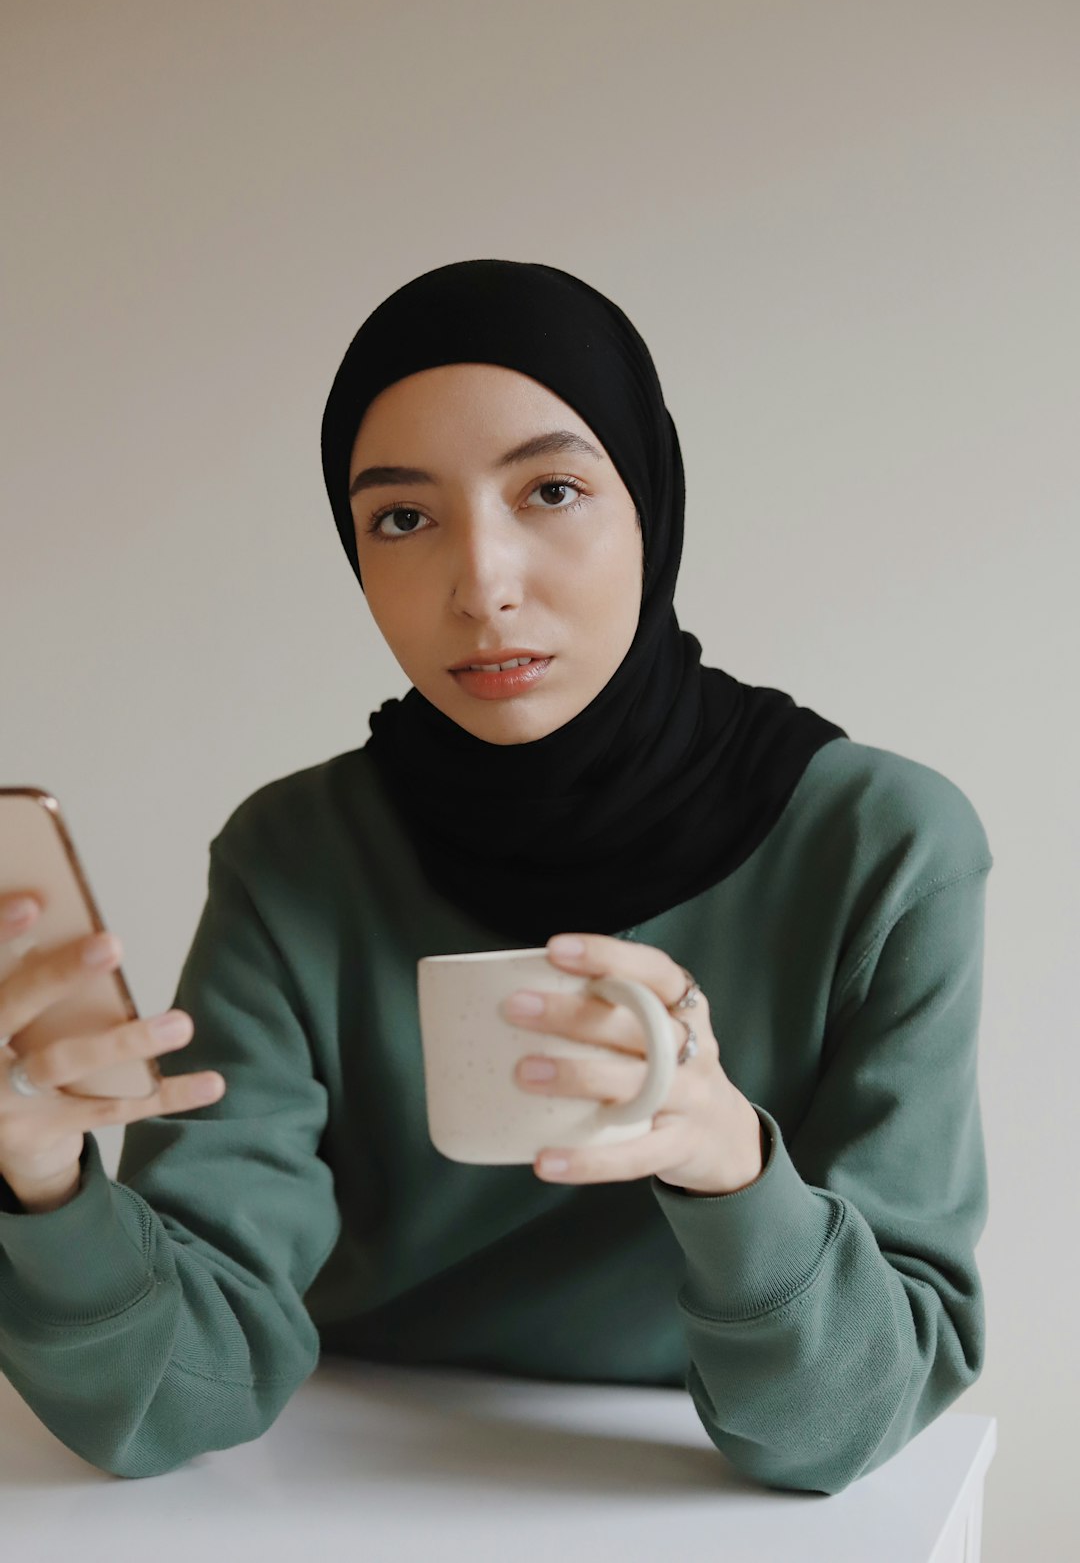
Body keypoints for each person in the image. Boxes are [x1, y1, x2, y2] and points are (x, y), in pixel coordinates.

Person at [0, 259, 993, 1495]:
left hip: (671, 1501)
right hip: (346, 1484)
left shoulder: (880, 843)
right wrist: (39, 1184)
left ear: (653, 504)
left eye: (554, 490)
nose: (482, 586)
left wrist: (728, 1159)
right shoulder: (294, 853)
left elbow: (847, 1424)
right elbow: (169, 1400)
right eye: (402, 518)